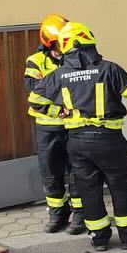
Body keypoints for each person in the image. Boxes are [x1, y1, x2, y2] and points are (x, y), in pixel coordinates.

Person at [32, 22, 127, 252]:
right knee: (120, 187)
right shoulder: (109, 69)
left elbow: (36, 101)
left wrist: (58, 111)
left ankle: (99, 238)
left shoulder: (59, 74)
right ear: (89, 43)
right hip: (109, 141)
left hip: (78, 143)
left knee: (89, 190)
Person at [24, 13, 85, 235]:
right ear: (49, 43)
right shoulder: (35, 61)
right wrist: (60, 106)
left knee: (78, 171)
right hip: (47, 127)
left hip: (73, 125)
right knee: (50, 171)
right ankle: (57, 213)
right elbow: (35, 89)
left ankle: (80, 214)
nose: (66, 46)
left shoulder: (78, 59)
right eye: (61, 42)